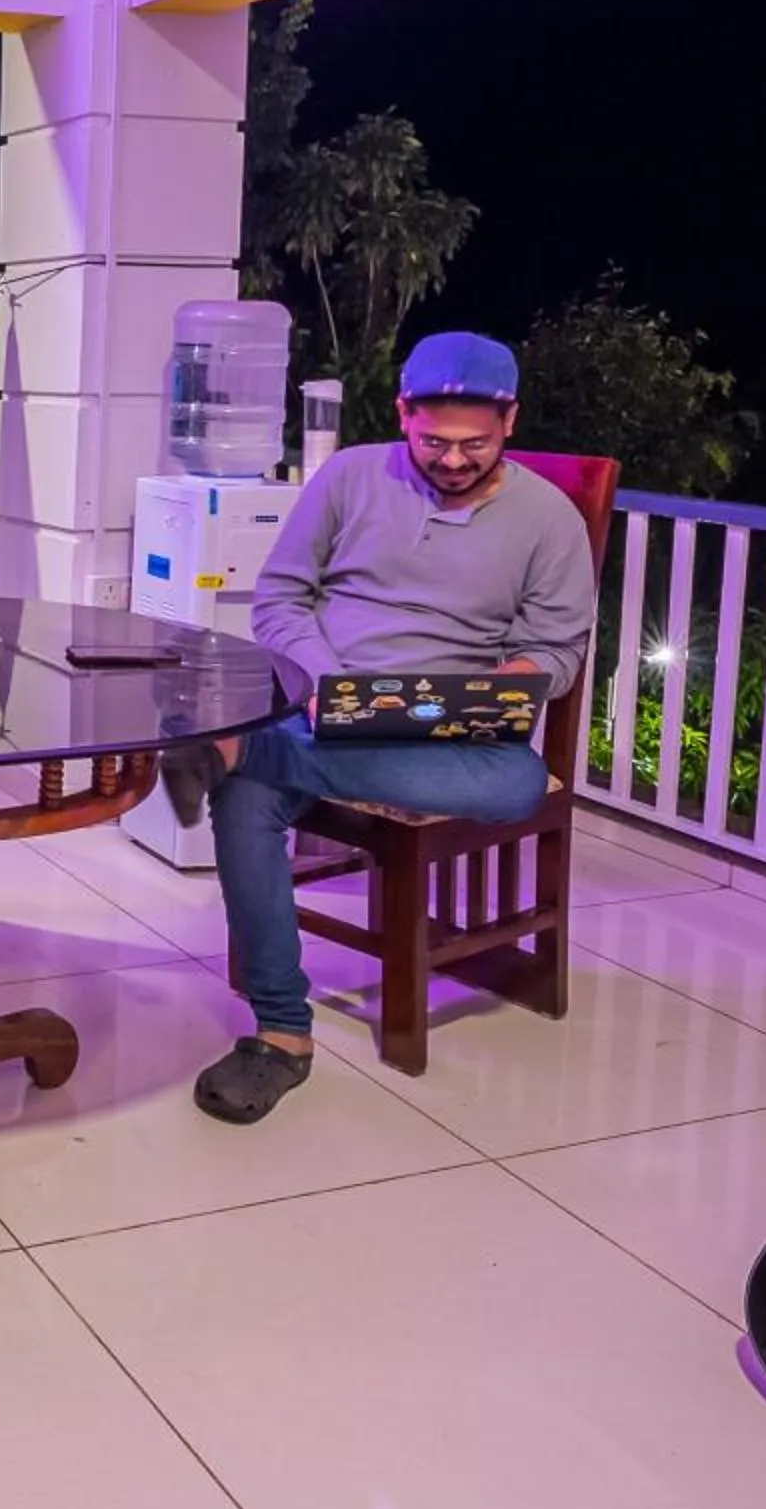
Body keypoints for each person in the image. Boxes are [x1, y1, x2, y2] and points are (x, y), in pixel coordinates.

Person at [165, 331, 595, 1127]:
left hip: (450, 722)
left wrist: (520, 680)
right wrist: (330, 679)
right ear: (402, 413)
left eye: (476, 443)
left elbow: (557, 648)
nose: (455, 459)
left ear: (510, 421)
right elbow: (281, 599)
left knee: (518, 782)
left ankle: (241, 748)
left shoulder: (550, 518)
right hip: (327, 703)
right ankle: (282, 1035)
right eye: (434, 440)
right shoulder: (351, 474)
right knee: (245, 801)